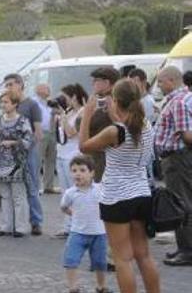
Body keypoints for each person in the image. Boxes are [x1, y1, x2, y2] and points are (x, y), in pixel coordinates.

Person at [80, 78, 160, 293]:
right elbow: (126, 126)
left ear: (116, 101)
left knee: (122, 259)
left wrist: (87, 114)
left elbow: (84, 146)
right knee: (144, 255)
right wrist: (113, 111)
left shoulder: (114, 132)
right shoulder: (145, 126)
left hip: (116, 197)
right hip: (141, 193)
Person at [154, 66, 192, 266]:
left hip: (178, 158)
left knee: (181, 203)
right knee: (183, 201)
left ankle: (187, 250)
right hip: (178, 158)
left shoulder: (178, 102)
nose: (159, 86)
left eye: (160, 81)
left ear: (171, 80)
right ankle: (183, 246)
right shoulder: (185, 98)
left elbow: (187, 135)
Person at [60, 154, 111, 293]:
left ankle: (101, 286)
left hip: (99, 233)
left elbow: (108, 204)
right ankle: (73, 287)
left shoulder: (100, 189)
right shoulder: (70, 193)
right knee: (71, 259)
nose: (78, 174)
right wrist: (73, 214)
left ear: (92, 173)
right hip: (77, 232)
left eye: (82, 170)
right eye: (74, 170)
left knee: (100, 263)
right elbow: (63, 207)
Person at [4, 74, 44, 236]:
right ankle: (14, 222)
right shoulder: (7, 104)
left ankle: (36, 222)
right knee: (13, 190)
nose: (8, 88)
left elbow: (38, 133)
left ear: (20, 85)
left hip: (28, 152)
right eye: (6, 85)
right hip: (9, 154)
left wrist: (25, 147)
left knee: (32, 187)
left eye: (11, 84)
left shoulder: (31, 105)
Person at [0, 90, 33, 237]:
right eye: (1, 102)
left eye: (6, 102)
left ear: (15, 104)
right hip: (0, 162)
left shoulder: (23, 121)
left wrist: (14, 142)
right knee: (4, 196)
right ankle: (5, 226)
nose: (3, 105)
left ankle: (21, 227)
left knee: (18, 196)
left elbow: (28, 141)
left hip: (16, 163)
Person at [54, 84, 88, 238]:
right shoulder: (69, 112)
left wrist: (63, 117)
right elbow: (59, 135)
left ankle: (78, 226)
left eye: (65, 97)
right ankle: (68, 226)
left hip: (74, 156)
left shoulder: (82, 112)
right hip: (62, 154)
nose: (63, 101)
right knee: (66, 193)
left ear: (74, 96)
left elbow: (71, 133)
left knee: (76, 192)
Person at [85, 67, 121, 183]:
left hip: (105, 157)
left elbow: (124, 127)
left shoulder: (116, 101)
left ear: (107, 83)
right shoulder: (98, 100)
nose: (93, 83)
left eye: (96, 80)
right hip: (95, 156)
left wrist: (88, 113)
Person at [35, 84, 60, 194]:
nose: (49, 90)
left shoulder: (51, 102)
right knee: (37, 160)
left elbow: (59, 112)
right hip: (41, 132)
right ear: (38, 90)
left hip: (52, 131)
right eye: (46, 88)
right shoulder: (34, 103)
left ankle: (48, 186)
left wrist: (57, 110)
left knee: (51, 160)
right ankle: (34, 187)